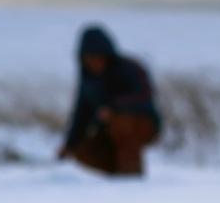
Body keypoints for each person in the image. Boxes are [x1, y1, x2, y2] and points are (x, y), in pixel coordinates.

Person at [57, 25, 161, 177]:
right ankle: (117, 176)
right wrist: (68, 145)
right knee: (81, 150)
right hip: (108, 131)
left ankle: (130, 179)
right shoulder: (88, 81)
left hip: (143, 124)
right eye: (89, 58)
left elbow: (144, 96)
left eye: (98, 57)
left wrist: (114, 108)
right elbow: (81, 115)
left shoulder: (130, 68)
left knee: (121, 123)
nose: (94, 62)